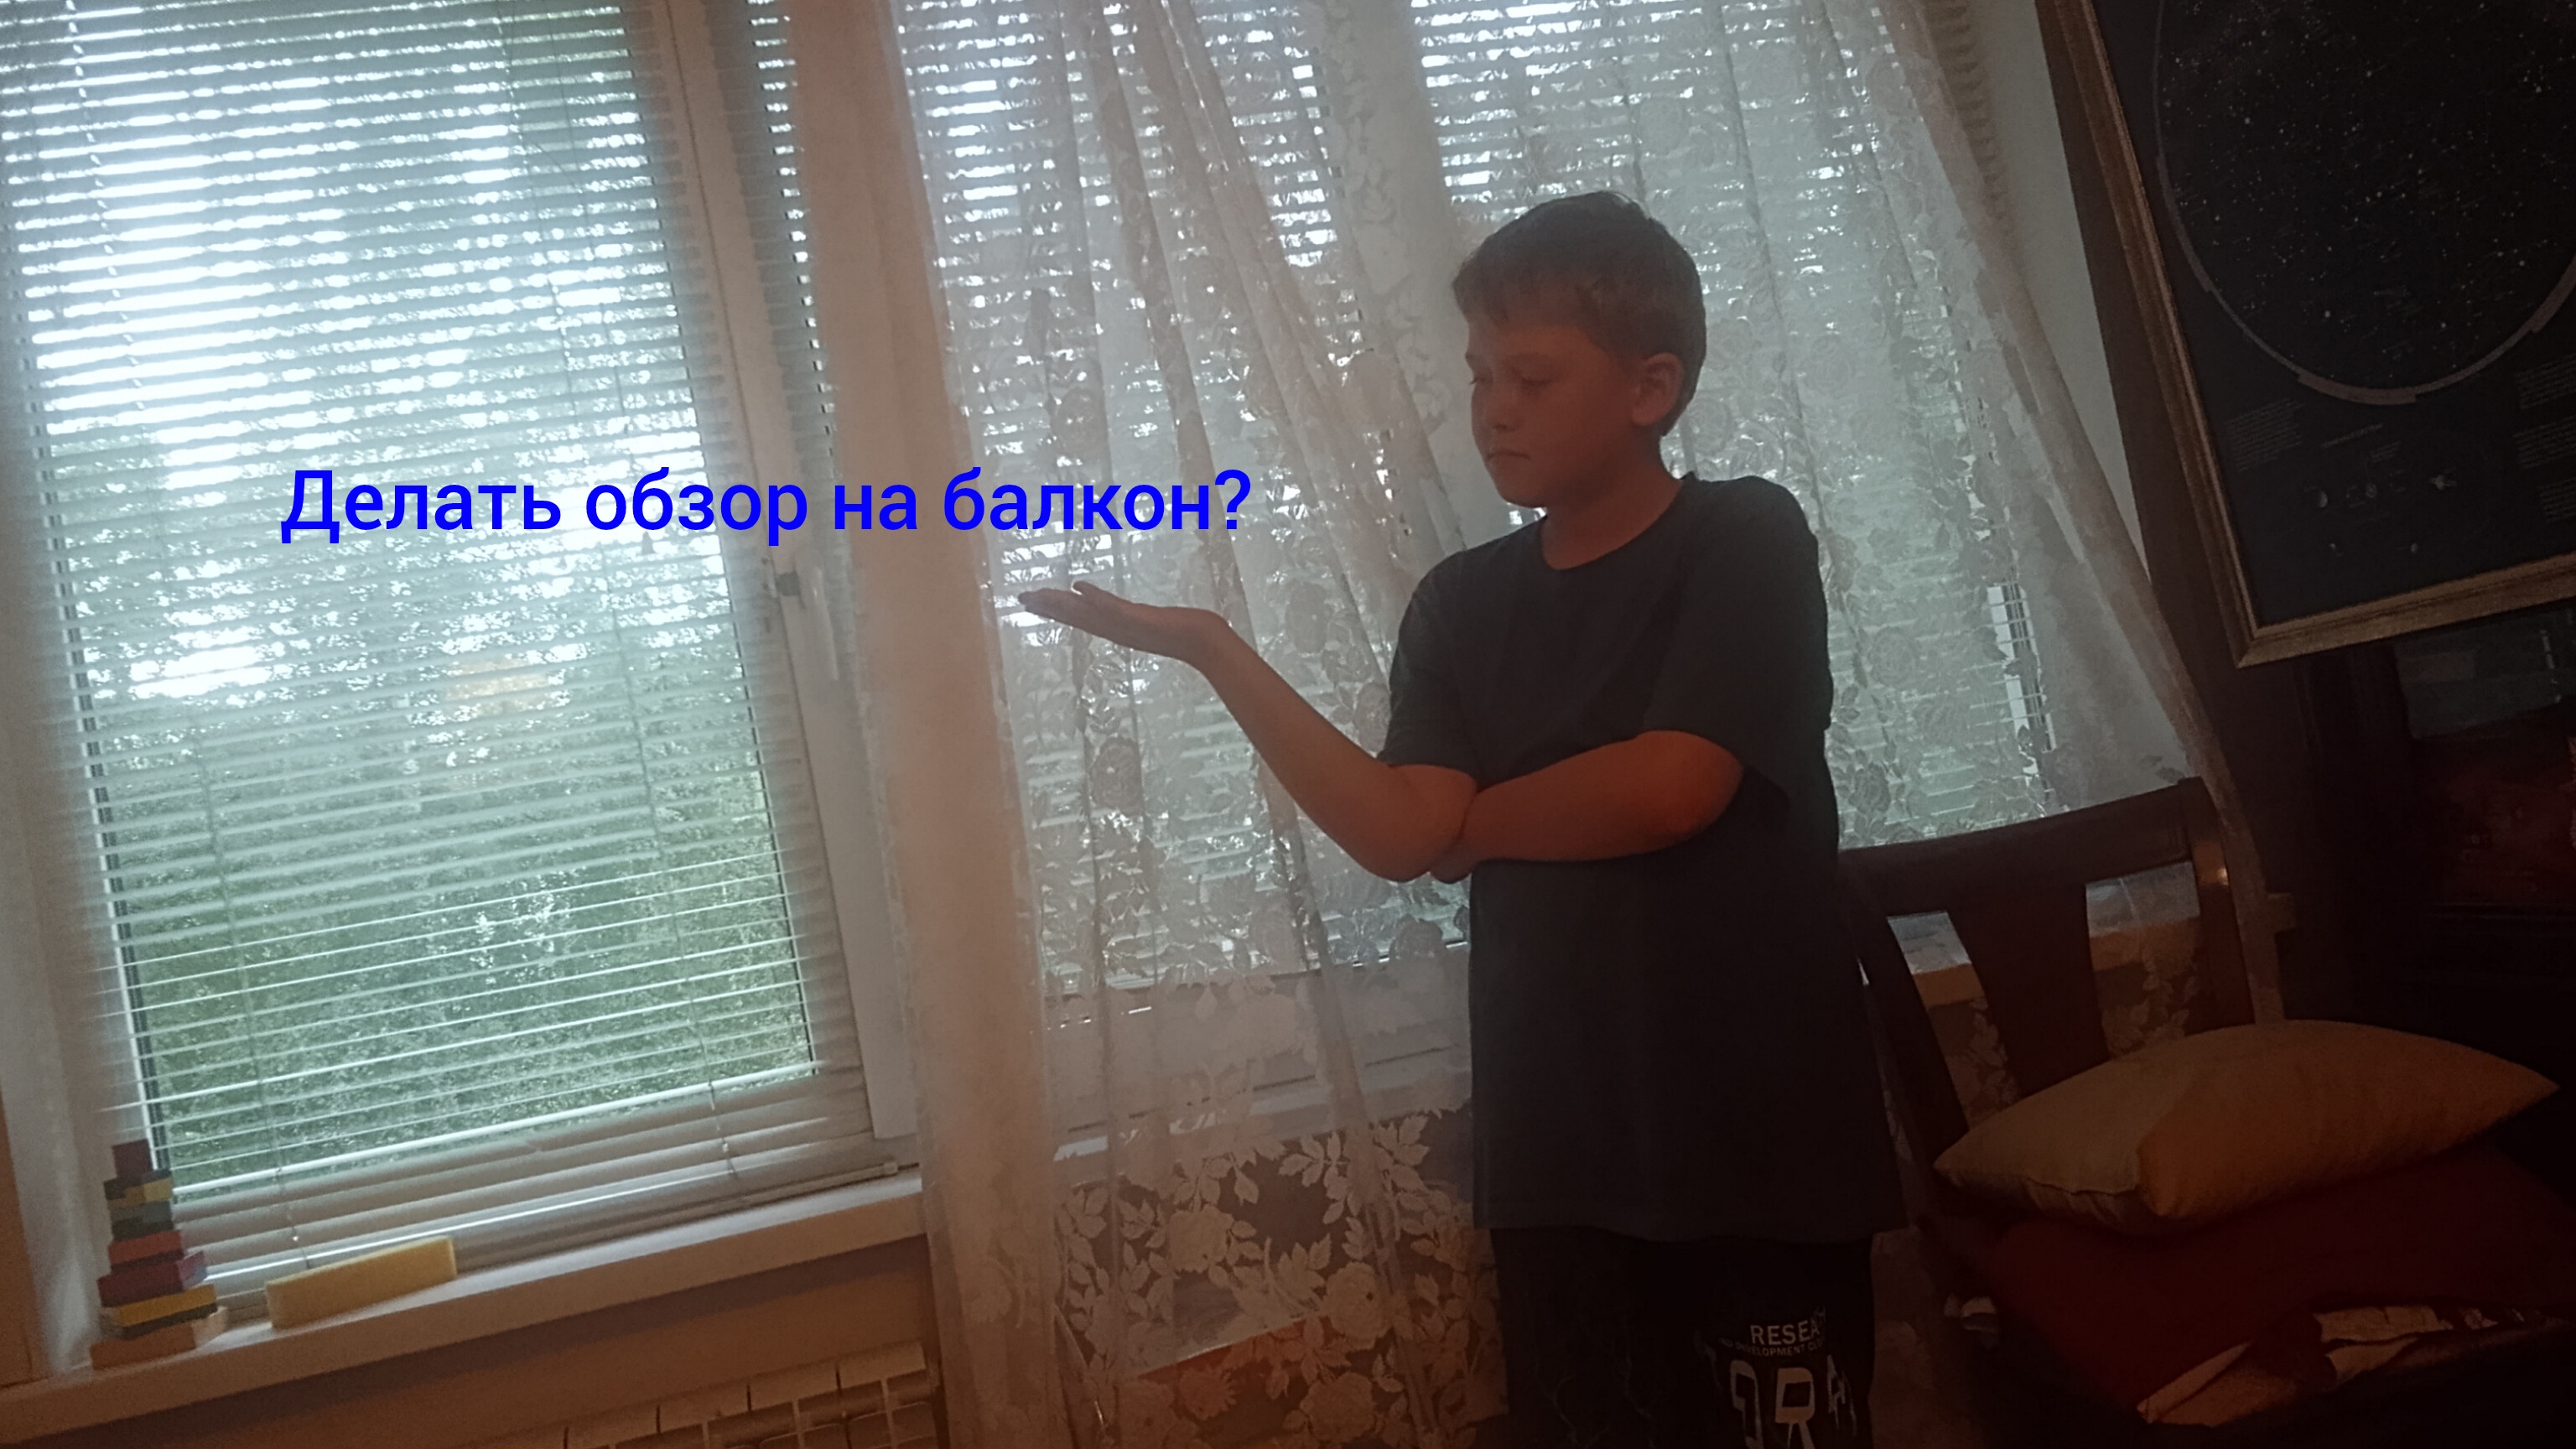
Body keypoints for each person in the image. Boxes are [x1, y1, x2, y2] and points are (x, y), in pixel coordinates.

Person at [1018, 190, 1902, 1448]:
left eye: (1532, 378)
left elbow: (1670, 788)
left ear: (1650, 387)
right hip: (1563, 1145)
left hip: (1756, 1128)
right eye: (1482, 375)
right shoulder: (1459, 604)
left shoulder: (1742, 536)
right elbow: (1396, 835)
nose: (1494, 408)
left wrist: (1474, 829)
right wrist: (1215, 650)